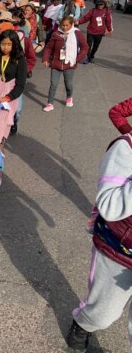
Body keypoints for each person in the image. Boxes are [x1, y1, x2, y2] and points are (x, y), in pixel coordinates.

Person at [65, 132, 132, 351]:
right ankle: (83, 324)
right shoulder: (125, 148)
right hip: (119, 251)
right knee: (103, 315)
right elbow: (109, 205)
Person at [0, 30, 27, 149]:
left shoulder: (20, 60)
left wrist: (6, 98)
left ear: (15, 45)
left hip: (9, 98)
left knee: (3, 124)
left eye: (9, 44)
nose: (5, 47)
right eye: (3, 44)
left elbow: (20, 84)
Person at [41, 16, 89, 112]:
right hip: (56, 63)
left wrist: (77, 59)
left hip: (70, 64)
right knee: (53, 84)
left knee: (68, 84)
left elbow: (85, 47)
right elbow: (48, 47)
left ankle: (69, 97)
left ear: (71, 25)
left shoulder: (77, 33)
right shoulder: (56, 34)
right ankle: (50, 103)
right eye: (63, 25)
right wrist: (45, 59)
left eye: (67, 25)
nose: (65, 27)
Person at [78, 0, 113, 64]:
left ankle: (92, 56)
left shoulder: (106, 12)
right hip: (91, 31)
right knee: (88, 45)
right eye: (99, 4)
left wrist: (110, 29)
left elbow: (108, 21)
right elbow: (85, 18)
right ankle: (87, 57)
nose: (100, 6)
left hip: (99, 32)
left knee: (96, 46)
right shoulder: (92, 11)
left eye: (102, 5)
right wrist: (78, 22)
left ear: (104, 5)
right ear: (96, 4)